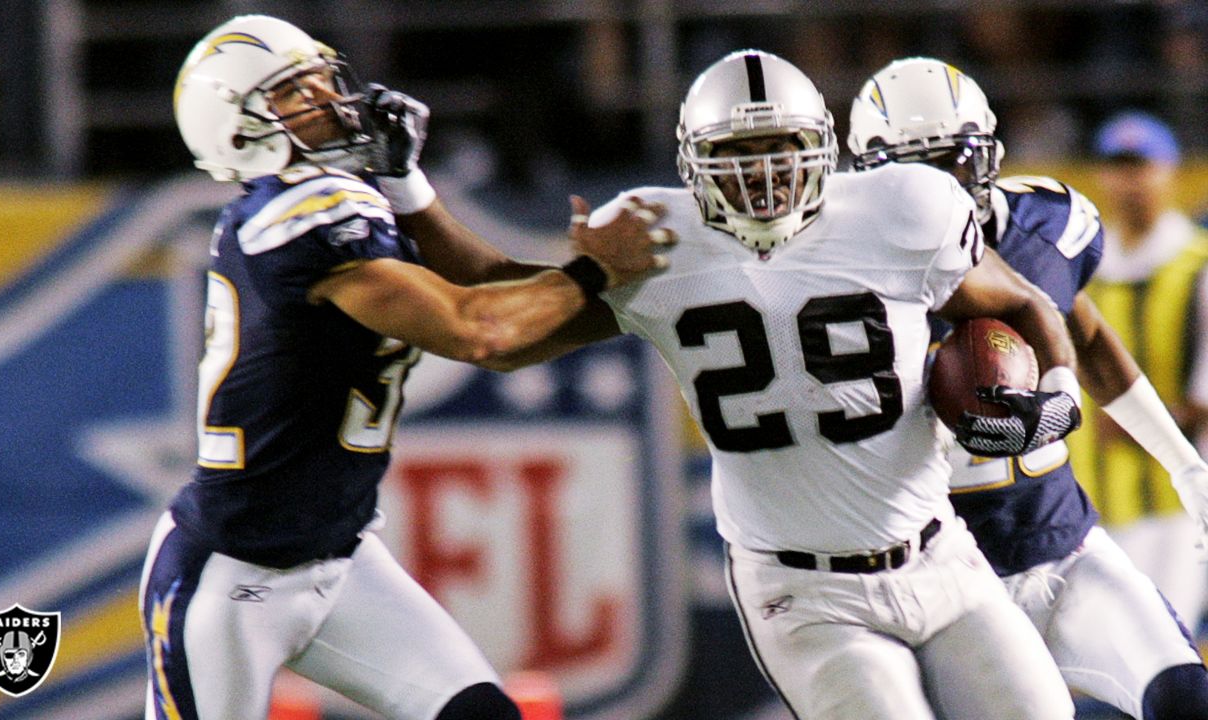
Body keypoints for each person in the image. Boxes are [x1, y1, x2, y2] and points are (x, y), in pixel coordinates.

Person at [406, 48, 1086, 719]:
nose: (764, 175)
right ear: (693, 163)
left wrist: (1057, 400)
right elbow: (504, 309)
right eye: (739, 153)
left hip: (942, 555)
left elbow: (1023, 302)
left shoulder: (902, 210)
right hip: (805, 595)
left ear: (822, 145)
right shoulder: (653, 238)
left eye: (782, 147)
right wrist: (408, 187)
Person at [142, 14, 672, 720]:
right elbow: (481, 330)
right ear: (239, 130)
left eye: (323, 78)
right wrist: (601, 274)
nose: (331, 97)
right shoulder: (298, 216)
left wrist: (409, 188)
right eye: (296, 92)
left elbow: (493, 293)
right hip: (231, 580)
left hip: (343, 561)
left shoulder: (347, 200)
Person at [847, 57, 1208, 720]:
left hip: (1066, 548)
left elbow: (1090, 339)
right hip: (946, 588)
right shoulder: (840, 281)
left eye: (950, 161)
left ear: (987, 157)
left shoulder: (1043, 226)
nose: (935, 191)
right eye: (910, 170)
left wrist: (1184, 465)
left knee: (1186, 699)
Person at [1073, 110, 1208, 632]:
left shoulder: (1196, 264)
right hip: (1089, 502)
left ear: (1169, 171)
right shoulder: (1082, 265)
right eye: (1117, 166)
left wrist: (1151, 421)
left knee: (1164, 645)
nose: (1129, 182)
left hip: (1175, 503)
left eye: (1141, 166)